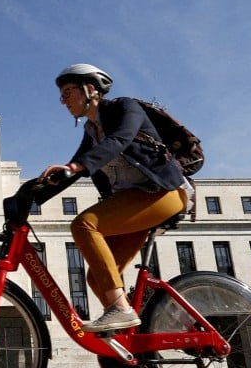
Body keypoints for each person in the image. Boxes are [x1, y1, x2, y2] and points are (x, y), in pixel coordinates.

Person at [15, 64, 191, 333]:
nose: (63, 100)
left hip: (164, 192)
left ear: (91, 89)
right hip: (134, 202)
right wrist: (23, 199)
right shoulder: (91, 132)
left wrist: (75, 167)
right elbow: (72, 171)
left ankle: (120, 309)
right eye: (61, 95)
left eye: (68, 91)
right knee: (97, 280)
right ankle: (138, 347)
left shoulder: (125, 107)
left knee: (84, 224)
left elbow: (119, 140)